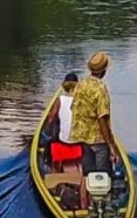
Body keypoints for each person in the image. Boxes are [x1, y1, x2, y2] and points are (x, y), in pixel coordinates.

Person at [71, 51, 118, 182]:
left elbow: (75, 109)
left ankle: (86, 200)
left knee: (88, 176)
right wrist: (110, 145)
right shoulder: (100, 89)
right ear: (103, 71)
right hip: (98, 140)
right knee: (103, 177)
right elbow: (102, 118)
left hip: (83, 138)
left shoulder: (80, 85)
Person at [45, 72, 82, 172]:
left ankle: (50, 165)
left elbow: (51, 118)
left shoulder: (60, 100)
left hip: (63, 139)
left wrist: (48, 128)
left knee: (51, 136)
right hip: (79, 139)